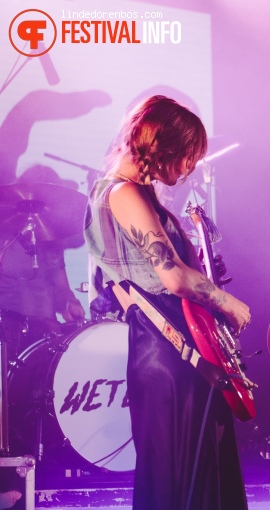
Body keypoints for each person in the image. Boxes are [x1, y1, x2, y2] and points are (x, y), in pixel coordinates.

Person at [83, 95, 249, 510]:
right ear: (162, 146)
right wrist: (227, 302)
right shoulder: (123, 194)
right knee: (182, 475)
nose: (191, 167)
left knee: (190, 471)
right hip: (166, 351)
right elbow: (172, 276)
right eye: (188, 156)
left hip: (173, 346)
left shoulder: (134, 194)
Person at [0, 165, 87, 347]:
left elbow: (61, 289)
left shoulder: (53, 242)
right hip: (9, 336)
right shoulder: (4, 240)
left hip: (46, 338)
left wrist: (69, 303)